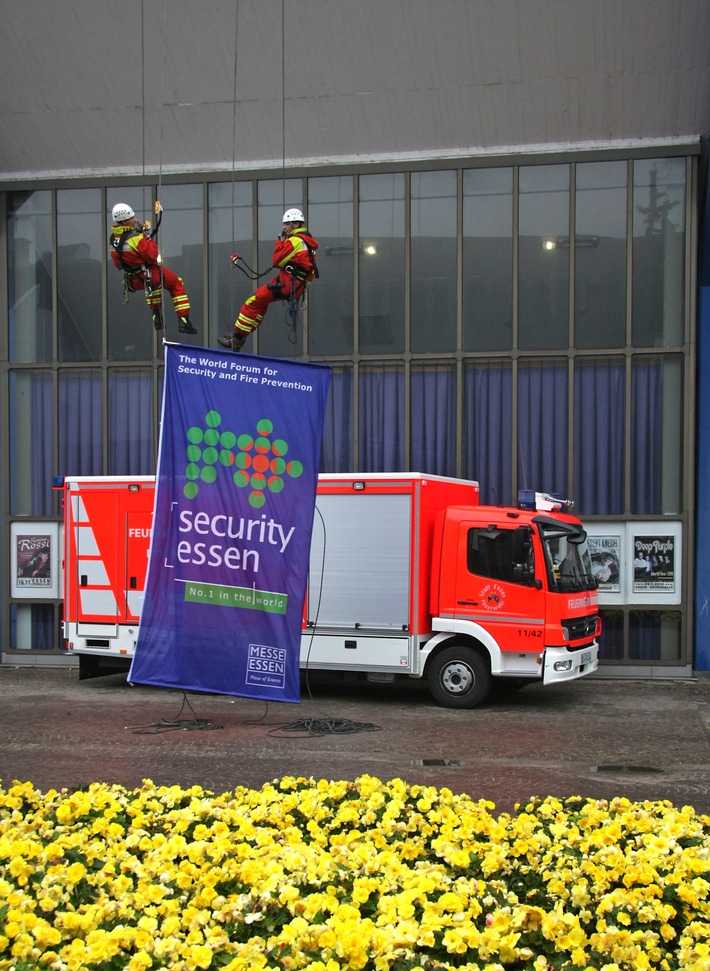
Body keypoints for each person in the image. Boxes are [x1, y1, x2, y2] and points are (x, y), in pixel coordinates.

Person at [218, 208, 318, 351]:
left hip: (287, 284)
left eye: (287, 224)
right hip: (294, 286)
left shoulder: (295, 240)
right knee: (261, 303)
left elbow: (277, 260)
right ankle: (241, 335)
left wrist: (280, 242)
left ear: (296, 224)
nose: (284, 227)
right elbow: (310, 272)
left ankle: (237, 339)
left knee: (251, 302)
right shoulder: (308, 243)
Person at [109, 203, 197, 334]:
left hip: (133, 279)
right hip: (148, 273)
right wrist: (146, 236)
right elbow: (152, 256)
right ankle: (184, 320)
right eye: (132, 218)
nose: (135, 219)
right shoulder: (135, 237)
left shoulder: (114, 239)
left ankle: (157, 317)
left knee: (155, 287)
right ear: (125, 221)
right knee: (176, 283)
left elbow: (118, 264)